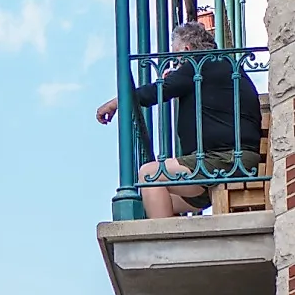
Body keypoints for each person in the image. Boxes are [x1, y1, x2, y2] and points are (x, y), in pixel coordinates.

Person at [96, 22, 264, 218]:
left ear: (186, 49)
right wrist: (177, 77)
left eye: (175, 55)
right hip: (223, 163)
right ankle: (165, 241)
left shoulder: (200, 63)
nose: (175, 61)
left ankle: (163, 246)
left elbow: (158, 92)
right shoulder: (221, 65)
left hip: (225, 162)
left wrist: (117, 102)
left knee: (149, 175)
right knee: (158, 201)